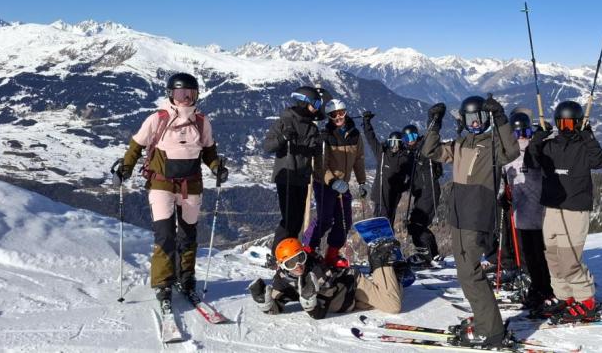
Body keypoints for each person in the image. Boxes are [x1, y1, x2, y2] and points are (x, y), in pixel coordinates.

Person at [115, 72, 229, 307]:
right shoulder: (157, 119)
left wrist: (216, 167)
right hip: (161, 184)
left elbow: (209, 151)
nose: (185, 98)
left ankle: (186, 279)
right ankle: (163, 283)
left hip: (192, 185)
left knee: (188, 235)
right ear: (170, 95)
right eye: (180, 94)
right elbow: (136, 145)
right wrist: (125, 168)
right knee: (165, 234)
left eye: (190, 93)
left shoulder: (201, 121)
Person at [422, 96, 520, 349]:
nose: (475, 123)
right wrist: (434, 123)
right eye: (469, 119)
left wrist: (500, 118)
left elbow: (512, 150)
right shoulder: (461, 143)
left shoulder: (493, 145)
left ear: (486, 119)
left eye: (479, 118)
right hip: (458, 215)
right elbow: (430, 151)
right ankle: (485, 321)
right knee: (466, 274)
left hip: (476, 216)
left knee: (470, 273)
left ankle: (492, 331)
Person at [526, 101, 602, 322]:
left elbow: (601, 161)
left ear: (579, 124)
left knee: (569, 259)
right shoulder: (549, 146)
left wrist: (588, 136)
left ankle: (586, 300)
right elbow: (531, 162)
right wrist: (537, 139)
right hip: (551, 208)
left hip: (575, 210)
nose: (566, 128)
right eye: (562, 123)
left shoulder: (583, 146)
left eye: (571, 124)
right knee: (552, 257)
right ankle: (565, 296)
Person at [248, 236, 402, 318]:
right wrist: (266, 304)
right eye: (290, 263)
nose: (298, 266)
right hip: (348, 305)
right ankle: (395, 276)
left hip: (352, 287)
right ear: (282, 266)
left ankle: (378, 259)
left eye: (300, 258)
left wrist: (311, 303)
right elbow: (277, 308)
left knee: (392, 305)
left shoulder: (316, 270)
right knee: (391, 295)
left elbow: (323, 307)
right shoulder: (281, 281)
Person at [304, 98, 368, 266]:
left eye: (341, 113)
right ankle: (308, 249)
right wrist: (332, 181)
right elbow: (320, 165)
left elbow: (359, 160)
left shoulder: (355, 135)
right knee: (325, 219)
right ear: (329, 117)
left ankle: (332, 255)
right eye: (334, 115)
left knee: (344, 221)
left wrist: (362, 182)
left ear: (346, 112)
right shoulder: (325, 137)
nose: (338, 117)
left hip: (343, 185)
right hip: (325, 184)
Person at [262, 86, 325, 255]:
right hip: (287, 176)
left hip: (302, 178)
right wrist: (283, 138)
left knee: (297, 221)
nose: (317, 108)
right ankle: (278, 254)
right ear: (305, 103)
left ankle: (290, 252)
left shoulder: (312, 128)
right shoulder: (285, 121)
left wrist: (321, 142)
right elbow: (267, 146)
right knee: (290, 220)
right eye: (315, 103)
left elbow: (317, 153)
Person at [502, 110, 552, 309]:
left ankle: (544, 288)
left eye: (526, 132)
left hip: (534, 212)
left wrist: (543, 132)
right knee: (532, 255)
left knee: (536, 254)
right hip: (524, 213)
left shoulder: (535, 149)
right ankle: (540, 287)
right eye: (518, 133)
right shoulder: (513, 154)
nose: (522, 137)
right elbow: (504, 178)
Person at [401, 123, 445, 267]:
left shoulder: (423, 149)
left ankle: (426, 256)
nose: (410, 140)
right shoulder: (411, 154)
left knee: (416, 224)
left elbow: (432, 146)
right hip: (421, 193)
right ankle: (433, 254)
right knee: (418, 223)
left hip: (429, 191)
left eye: (413, 136)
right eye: (406, 138)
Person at [361, 111, 410, 224]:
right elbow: (371, 138)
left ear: (401, 144)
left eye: (396, 143)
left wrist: (404, 187)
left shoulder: (404, 158)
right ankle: (380, 237)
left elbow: (412, 175)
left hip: (393, 196)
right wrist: (366, 122)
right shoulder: (382, 153)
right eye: (392, 143)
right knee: (381, 219)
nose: (394, 146)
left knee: (389, 219)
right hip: (380, 194)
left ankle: (387, 237)